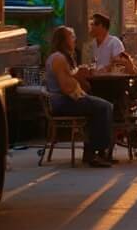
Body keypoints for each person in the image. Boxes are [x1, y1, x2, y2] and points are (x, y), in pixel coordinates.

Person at [45, 25, 115, 167]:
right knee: (104, 107)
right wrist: (77, 76)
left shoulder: (65, 58)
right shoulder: (58, 59)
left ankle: (94, 151)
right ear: (63, 40)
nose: (75, 40)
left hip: (69, 99)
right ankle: (95, 153)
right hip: (63, 102)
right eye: (72, 37)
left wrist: (81, 77)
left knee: (100, 105)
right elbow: (66, 88)